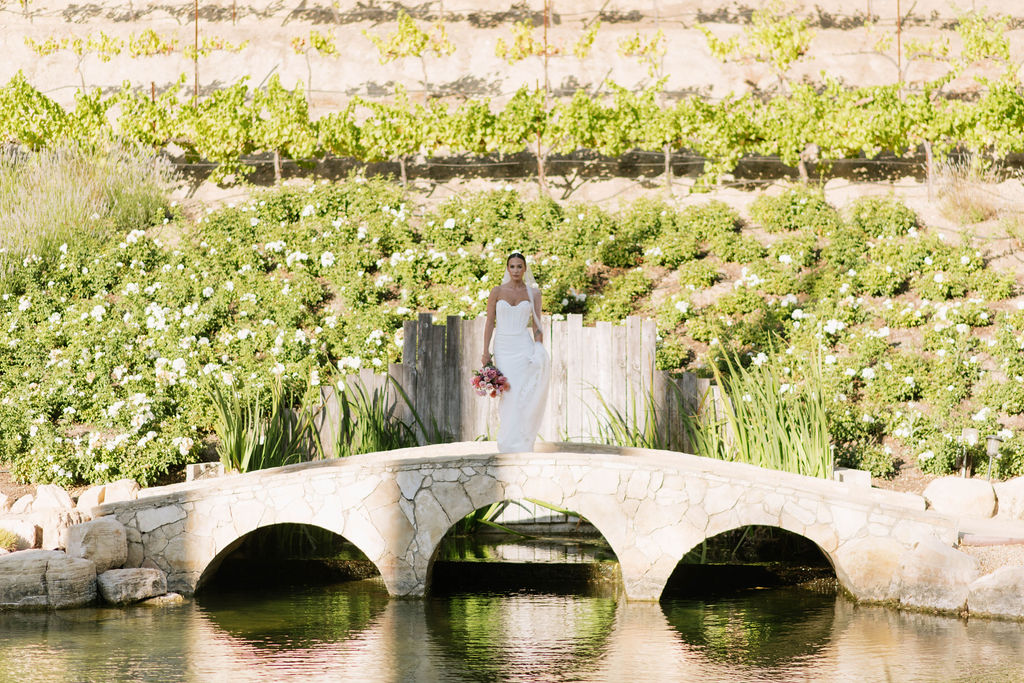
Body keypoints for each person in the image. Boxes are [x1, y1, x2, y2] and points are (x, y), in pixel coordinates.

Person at [481, 252, 551, 452]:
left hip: (523, 346)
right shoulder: (497, 291)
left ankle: (523, 441)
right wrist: (485, 351)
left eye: (519, 266)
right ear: (507, 268)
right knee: (508, 393)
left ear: (525, 269)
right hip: (503, 347)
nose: (516, 270)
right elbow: (489, 322)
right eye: (512, 266)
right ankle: (507, 442)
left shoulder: (534, 294)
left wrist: (538, 348)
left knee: (522, 392)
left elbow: (537, 324)